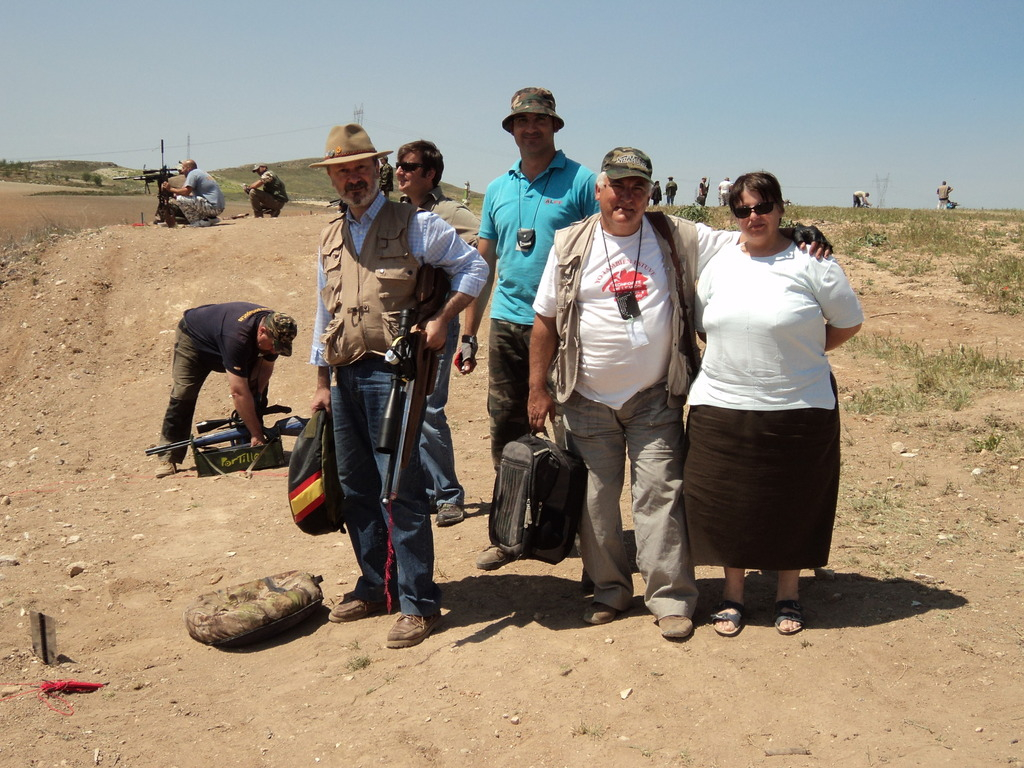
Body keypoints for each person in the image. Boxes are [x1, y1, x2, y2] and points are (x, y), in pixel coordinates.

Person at [528, 147, 752, 640]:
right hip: (585, 399)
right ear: (599, 189)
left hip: (655, 396)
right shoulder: (570, 243)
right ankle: (609, 590)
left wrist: (799, 236)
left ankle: (670, 597)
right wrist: (537, 389)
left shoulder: (675, 235)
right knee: (595, 503)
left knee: (661, 498)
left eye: (638, 187)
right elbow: (544, 319)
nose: (627, 196)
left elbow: (747, 237)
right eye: (618, 185)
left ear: (649, 191)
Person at [308, 124, 488, 649]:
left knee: (401, 490)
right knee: (357, 487)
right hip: (346, 375)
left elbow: (473, 268)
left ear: (377, 171)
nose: (352, 178)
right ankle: (374, 585)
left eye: (360, 168)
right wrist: (320, 380)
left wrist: (442, 322)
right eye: (342, 171)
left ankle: (418, 601)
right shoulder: (329, 235)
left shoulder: (416, 222)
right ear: (333, 179)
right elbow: (324, 310)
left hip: (396, 375)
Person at [683, 171, 863, 638]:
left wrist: (799, 351)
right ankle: (733, 595)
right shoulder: (721, 262)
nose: (754, 217)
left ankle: (788, 594)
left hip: (799, 403)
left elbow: (846, 322)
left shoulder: (813, 261)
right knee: (728, 503)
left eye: (762, 207)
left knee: (796, 499)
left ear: (782, 207)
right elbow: (705, 326)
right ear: (733, 214)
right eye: (742, 209)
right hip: (722, 402)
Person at [462, 87, 598, 571]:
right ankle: (508, 531)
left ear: (554, 126)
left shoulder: (582, 182)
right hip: (506, 323)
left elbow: (603, 252)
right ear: (512, 129)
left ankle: (578, 537)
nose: (530, 128)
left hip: (566, 328)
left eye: (539, 120)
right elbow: (483, 262)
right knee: (506, 429)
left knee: (573, 431)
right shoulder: (498, 188)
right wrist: (468, 330)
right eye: (521, 121)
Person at [396, 139, 480, 527]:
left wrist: (460, 326)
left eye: (410, 167)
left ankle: (448, 496)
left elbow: (479, 258)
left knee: (429, 409)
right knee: (402, 409)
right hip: (403, 327)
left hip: (436, 324)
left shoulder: (449, 212)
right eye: (398, 165)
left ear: (430, 174)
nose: (400, 171)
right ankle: (427, 490)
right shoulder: (399, 213)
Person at [155, 302, 297, 478]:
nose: (274, 350)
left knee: (253, 393)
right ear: (262, 331)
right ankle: (168, 457)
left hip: (227, 339)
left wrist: (257, 395)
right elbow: (238, 391)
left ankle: (251, 441)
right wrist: (256, 431)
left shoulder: (275, 327)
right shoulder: (238, 337)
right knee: (184, 394)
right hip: (194, 341)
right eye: (273, 345)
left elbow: (266, 366)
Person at [162, 160, 225, 227]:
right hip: (218, 208)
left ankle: (198, 221)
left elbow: (186, 191)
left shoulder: (192, 173)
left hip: (213, 208)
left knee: (180, 199)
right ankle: (211, 218)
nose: (182, 171)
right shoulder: (200, 172)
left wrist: (170, 189)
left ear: (189, 168)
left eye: (183, 168)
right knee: (189, 198)